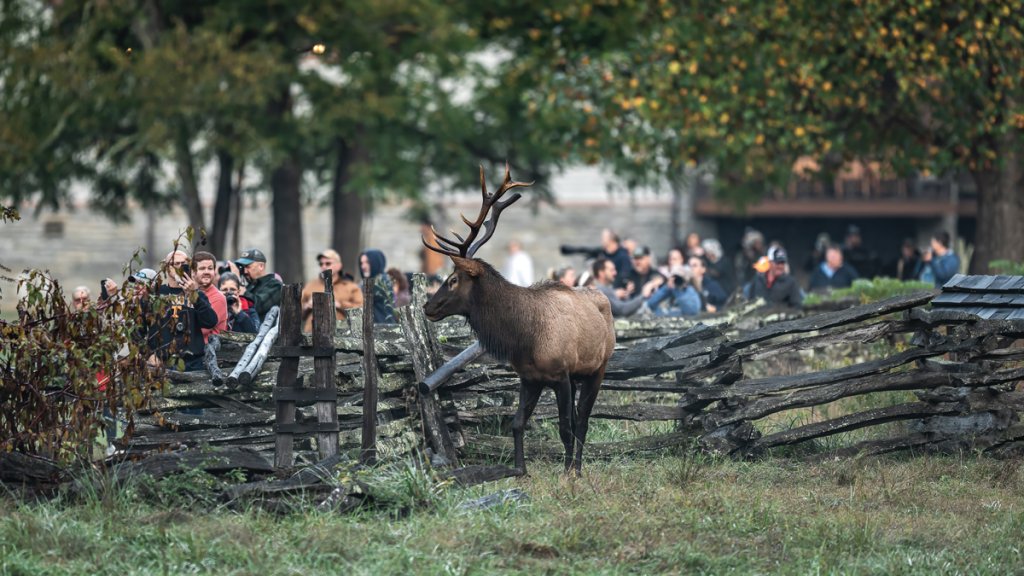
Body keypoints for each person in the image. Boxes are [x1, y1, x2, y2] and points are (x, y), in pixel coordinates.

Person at [143, 251, 219, 372]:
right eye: (175, 264)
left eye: (184, 263)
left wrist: (194, 295)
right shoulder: (155, 295)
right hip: (162, 362)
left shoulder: (197, 294)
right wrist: (149, 354)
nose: (179, 267)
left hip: (192, 362)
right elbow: (138, 330)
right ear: (166, 267)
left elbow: (210, 322)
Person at [301, 248, 363, 332]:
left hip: (339, 336)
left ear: (339, 265)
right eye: (321, 264)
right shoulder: (310, 285)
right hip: (311, 335)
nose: (323, 266)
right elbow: (296, 312)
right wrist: (307, 306)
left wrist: (340, 305)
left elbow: (361, 310)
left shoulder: (350, 287)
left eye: (328, 263)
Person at [234, 248, 282, 320]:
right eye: (243, 267)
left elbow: (258, 306)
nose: (245, 271)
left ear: (261, 266)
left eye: (248, 267)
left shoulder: (275, 285)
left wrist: (243, 291)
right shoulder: (250, 286)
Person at [192, 251, 228, 342]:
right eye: (202, 268)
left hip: (207, 351)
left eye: (210, 268)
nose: (206, 272)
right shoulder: (186, 293)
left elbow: (203, 330)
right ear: (193, 272)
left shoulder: (219, 298)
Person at [360, 249, 396, 324]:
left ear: (376, 262)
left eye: (367, 262)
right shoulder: (371, 281)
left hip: (383, 326)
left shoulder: (382, 280)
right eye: (361, 263)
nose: (363, 266)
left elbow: (360, 297)